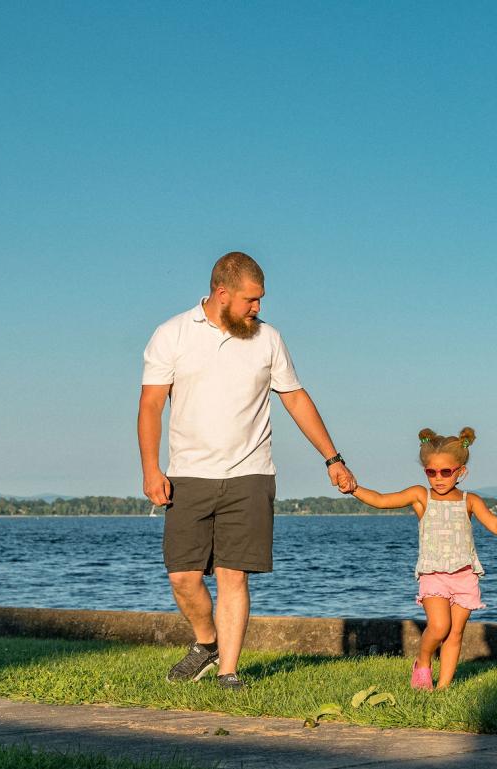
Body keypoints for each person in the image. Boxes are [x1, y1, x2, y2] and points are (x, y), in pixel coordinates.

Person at [138, 251, 356, 690]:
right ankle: (207, 643)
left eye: (260, 300)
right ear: (222, 293)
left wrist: (332, 458)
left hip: (250, 474)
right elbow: (151, 405)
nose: (258, 308)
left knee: (233, 575)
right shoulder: (172, 334)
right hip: (189, 474)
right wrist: (150, 468)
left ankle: (228, 673)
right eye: (250, 300)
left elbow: (295, 398)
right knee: (182, 577)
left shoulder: (268, 339)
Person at [349, 428, 497, 690]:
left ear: (461, 471)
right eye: (432, 472)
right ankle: (423, 662)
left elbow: (496, 524)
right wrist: (353, 488)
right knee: (440, 627)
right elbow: (382, 500)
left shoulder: (469, 501)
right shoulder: (422, 496)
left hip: (465, 575)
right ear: (425, 472)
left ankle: (442, 688)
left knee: (455, 633)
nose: (438, 478)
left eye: (446, 472)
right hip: (434, 573)